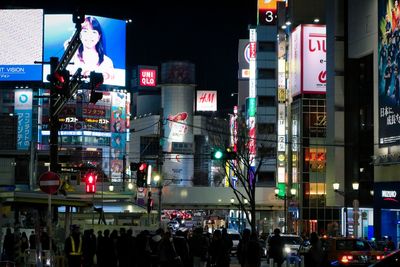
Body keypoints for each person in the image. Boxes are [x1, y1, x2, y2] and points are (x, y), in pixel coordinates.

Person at [70, 16, 114, 82]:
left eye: (94, 32)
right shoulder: (71, 58)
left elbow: (110, 79)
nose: (89, 36)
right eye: (85, 31)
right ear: (79, 35)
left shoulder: (107, 62)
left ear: (99, 36)